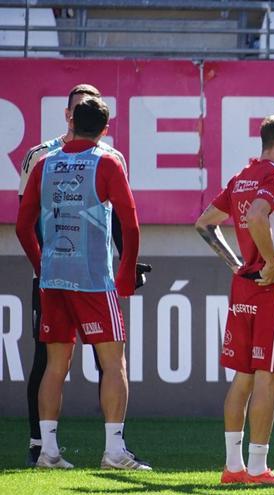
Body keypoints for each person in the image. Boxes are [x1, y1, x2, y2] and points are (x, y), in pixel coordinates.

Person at [17, 83, 149, 468]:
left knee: (55, 365)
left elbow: (23, 228)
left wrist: (42, 266)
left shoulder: (44, 164)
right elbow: (131, 224)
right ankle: (113, 451)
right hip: (93, 278)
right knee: (113, 363)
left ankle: (48, 451)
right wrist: (125, 276)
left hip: (54, 278)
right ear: (104, 130)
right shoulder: (107, 163)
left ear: (72, 122)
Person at [195, 112, 274, 485]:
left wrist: (237, 264)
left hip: (244, 285)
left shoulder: (240, 177)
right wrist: (272, 263)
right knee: (268, 380)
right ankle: (259, 468)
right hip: (272, 288)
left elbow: (204, 223)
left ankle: (233, 467)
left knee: (243, 379)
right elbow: (260, 217)